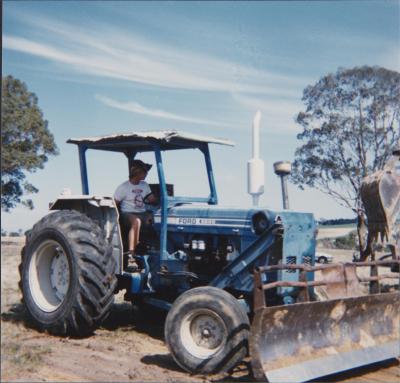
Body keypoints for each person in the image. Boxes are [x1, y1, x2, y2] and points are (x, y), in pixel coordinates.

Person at [114, 160, 157, 258]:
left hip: (143, 213)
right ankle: (132, 252)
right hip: (127, 214)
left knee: (156, 219)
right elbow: (115, 203)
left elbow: (151, 199)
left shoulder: (144, 185)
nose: (146, 173)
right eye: (144, 171)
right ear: (137, 172)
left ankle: (152, 247)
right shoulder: (123, 187)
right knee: (136, 221)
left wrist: (162, 197)